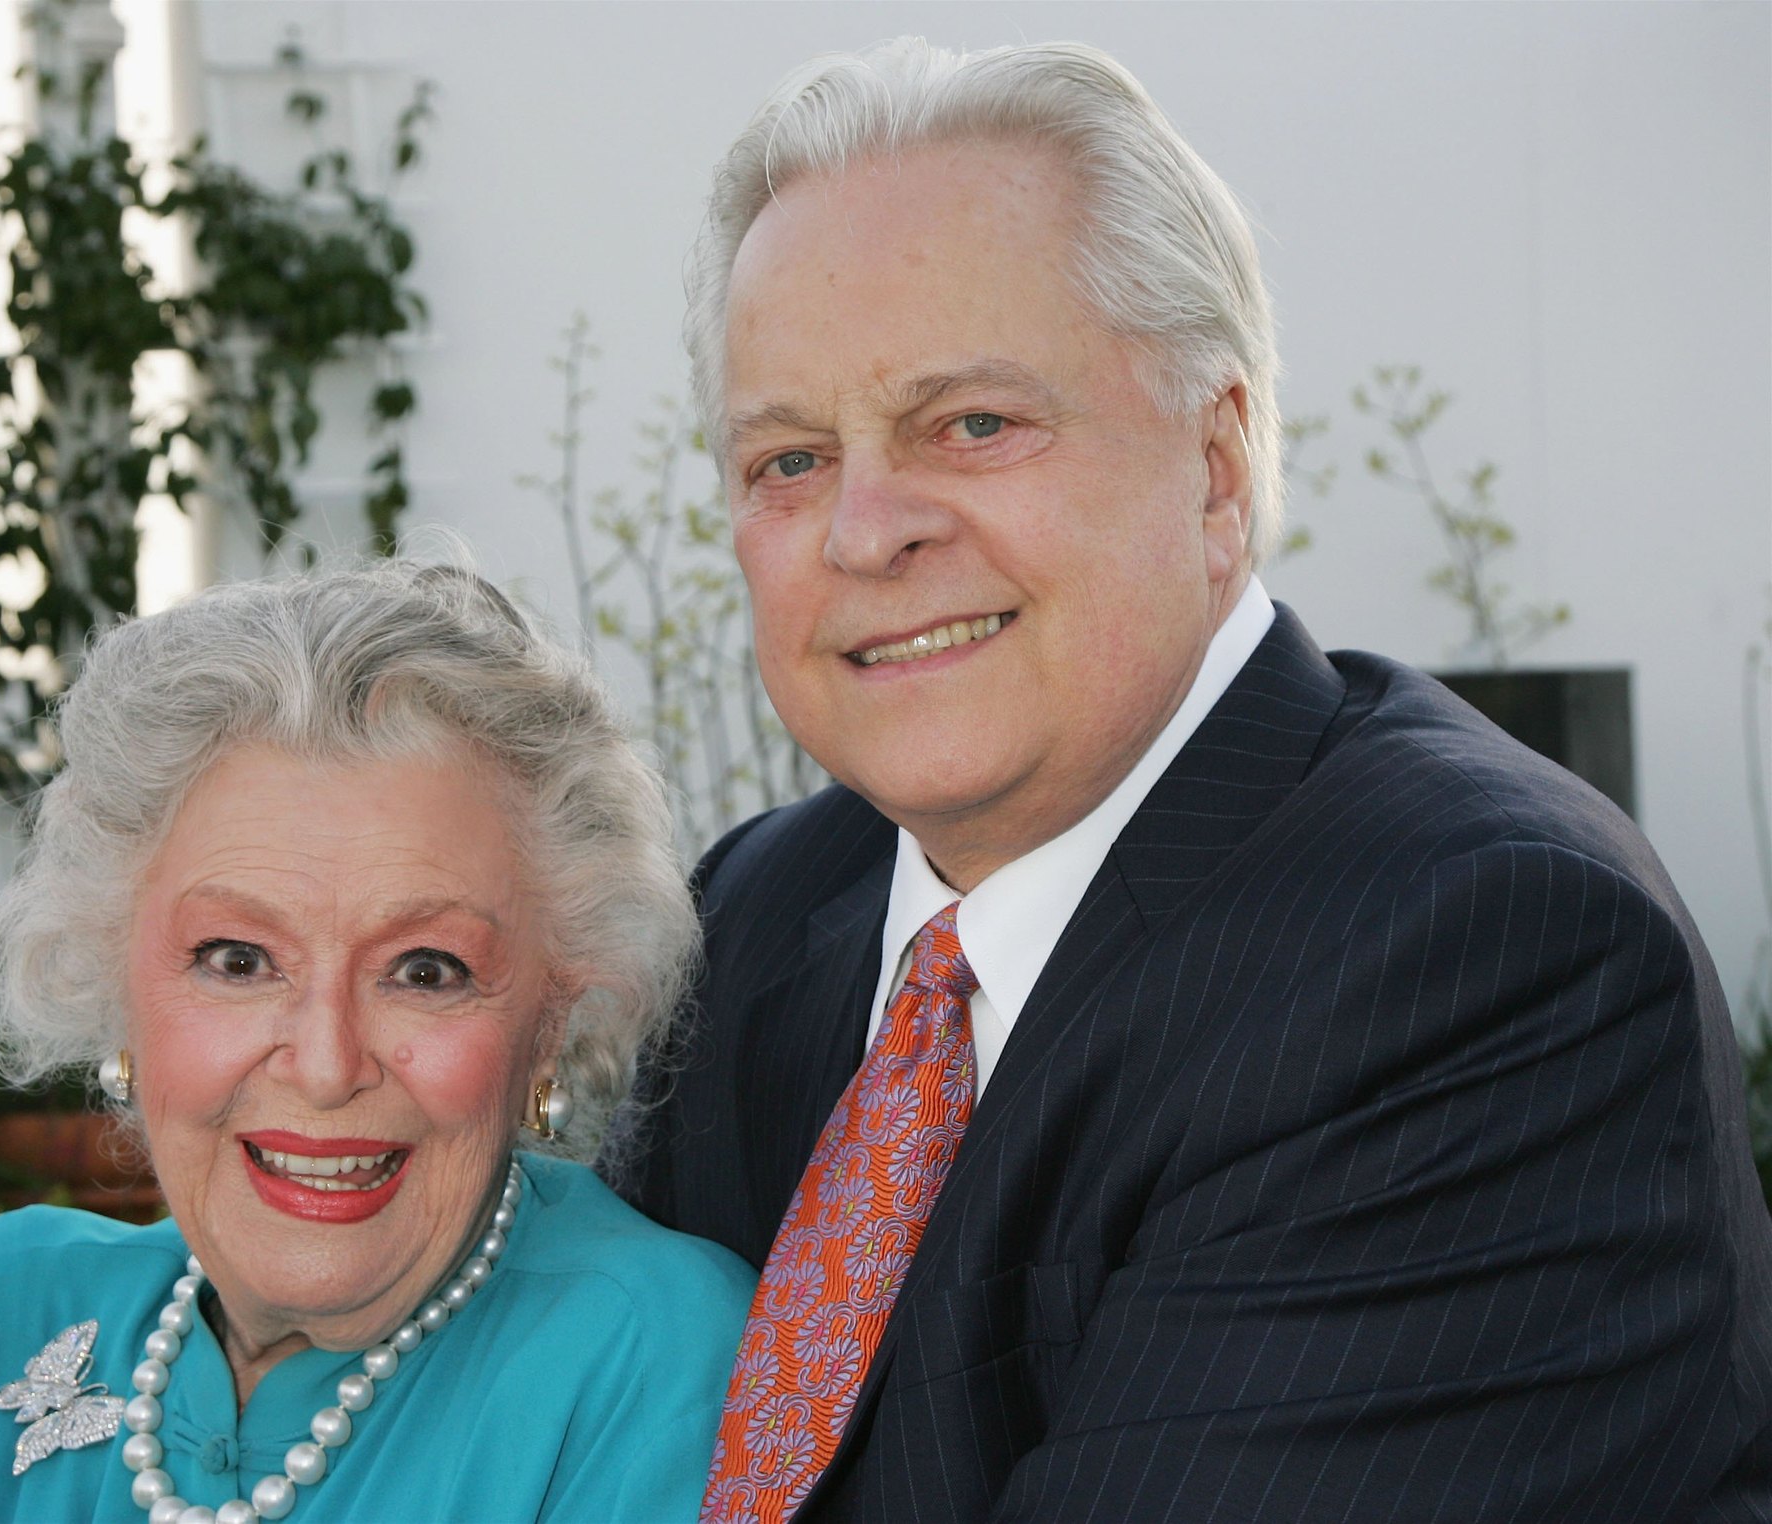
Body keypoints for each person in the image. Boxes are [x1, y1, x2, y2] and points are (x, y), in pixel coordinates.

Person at [623, 37, 1772, 1523]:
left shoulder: (1481, 954)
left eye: (971, 424)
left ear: (1215, 465)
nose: (863, 531)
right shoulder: (759, 914)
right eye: (787, 460)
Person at [0, 559, 754, 1523]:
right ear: (114, 986)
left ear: (553, 1021)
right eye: (238, 960)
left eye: (426, 970)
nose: (327, 1067)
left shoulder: (649, 1357)